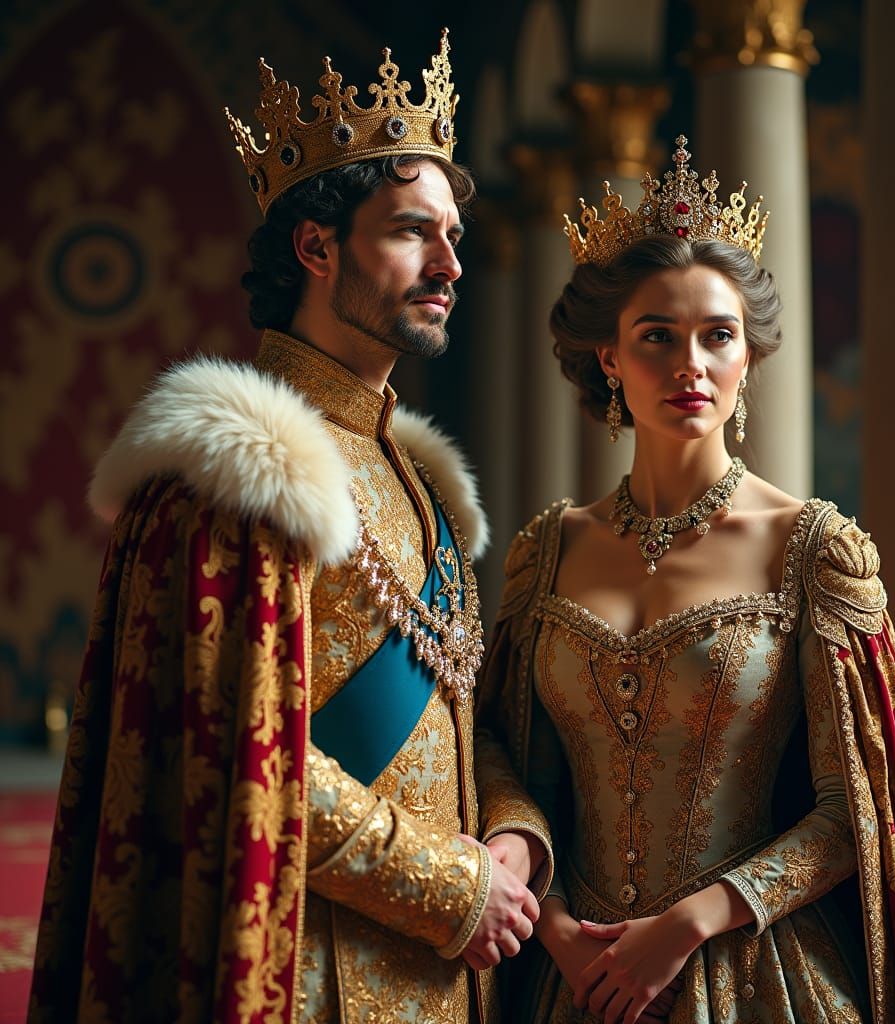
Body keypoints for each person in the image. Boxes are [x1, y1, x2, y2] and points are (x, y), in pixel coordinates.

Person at [29, 30, 552, 1024]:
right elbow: (234, 757)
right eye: (410, 231)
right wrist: (454, 889)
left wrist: (514, 839)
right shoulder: (232, 474)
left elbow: (458, 713)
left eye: (453, 237)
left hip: (449, 974)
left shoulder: (424, 480)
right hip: (300, 971)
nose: (447, 263)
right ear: (317, 247)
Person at [475, 137, 895, 1023]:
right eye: (656, 336)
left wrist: (692, 921)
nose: (689, 365)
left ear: (746, 359)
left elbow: (855, 805)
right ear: (609, 359)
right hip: (574, 978)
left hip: (753, 972)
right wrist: (549, 923)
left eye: (718, 336)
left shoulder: (814, 547)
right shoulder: (545, 550)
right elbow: (509, 761)